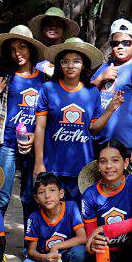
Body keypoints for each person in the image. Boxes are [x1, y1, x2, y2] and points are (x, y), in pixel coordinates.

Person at [33, 38, 120, 204]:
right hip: (52, 166)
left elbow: (93, 128)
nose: (70, 66)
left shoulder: (92, 91)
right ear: (59, 64)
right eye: (65, 62)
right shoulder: (48, 89)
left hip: (81, 167)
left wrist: (111, 109)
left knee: (78, 217)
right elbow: (40, 127)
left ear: (84, 65)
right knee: (53, 213)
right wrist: (38, 163)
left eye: (76, 61)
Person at [0, 25, 47, 217]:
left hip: (33, 143)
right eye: (12, 50)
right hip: (7, 141)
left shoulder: (45, 80)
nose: (17, 53)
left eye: (22, 47)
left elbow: (48, 115)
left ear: (31, 48)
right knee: (2, 196)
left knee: (30, 197)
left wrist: (37, 139)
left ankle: (29, 246)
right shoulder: (6, 77)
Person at [16, 172, 86, 262]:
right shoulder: (34, 218)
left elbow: (82, 237)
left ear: (61, 193)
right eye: (41, 192)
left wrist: (57, 247)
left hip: (64, 258)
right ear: (36, 198)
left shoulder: (71, 208)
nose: (47, 196)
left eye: (52, 190)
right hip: (43, 260)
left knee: (80, 251)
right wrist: (45, 258)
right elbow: (31, 251)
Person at [91, 19, 132, 163]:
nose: (120, 46)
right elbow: (86, 96)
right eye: (116, 43)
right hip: (99, 146)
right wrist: (100, 78)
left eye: (126, 43)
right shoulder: (104, 67)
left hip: (125, 148)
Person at [27, 7, 80, 76]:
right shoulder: (33, 52)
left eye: (58, 24)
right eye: (49, 23)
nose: (53, 27)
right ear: (42, 28)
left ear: (63, 30)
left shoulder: (69, 53)